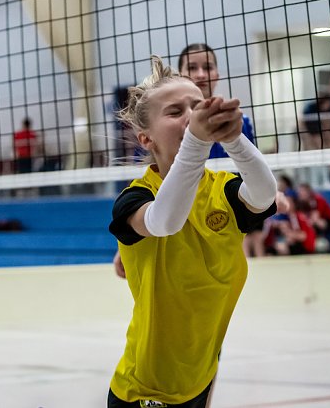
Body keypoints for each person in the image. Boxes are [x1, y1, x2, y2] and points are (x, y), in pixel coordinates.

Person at [107, 55, 277, 406]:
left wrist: (235, 139)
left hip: (200, 377)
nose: (191, 116)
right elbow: (165, 221)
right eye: (174, 112)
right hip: (147, 388)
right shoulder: (136, 198)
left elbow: (262, 194)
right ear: (146, 138)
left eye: (197, 106)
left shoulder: (222, 188)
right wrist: (197, 141)